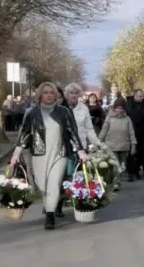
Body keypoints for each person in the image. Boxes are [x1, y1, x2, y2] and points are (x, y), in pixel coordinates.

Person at [10, 82, 87, 230]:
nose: (49, 95)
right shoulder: (32, 113)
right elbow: (24, 135)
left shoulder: (64, 112)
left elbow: (72, 133)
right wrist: (16, 155)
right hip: (39, 154)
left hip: (60, 153)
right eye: (46, 93)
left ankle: (50, 215)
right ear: (40, 95)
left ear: (56, 95)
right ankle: (48, 206)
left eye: (52, 93)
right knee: (43, 186)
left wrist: (80, 151)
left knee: (54, 183)